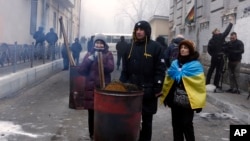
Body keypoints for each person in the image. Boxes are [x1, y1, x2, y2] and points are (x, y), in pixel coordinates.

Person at [119, 20, 166, 141]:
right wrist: (121, 85)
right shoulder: (129, 47)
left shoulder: (156, 47)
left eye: (141, 30)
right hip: (131, 92)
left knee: (146, 122)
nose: (139, 32)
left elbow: (160, 70)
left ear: (147, 31)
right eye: (137, 29)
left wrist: (157, 87)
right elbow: (124, 70)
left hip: (148, 92)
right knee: (130, 120)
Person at [160, 40, 206, 141]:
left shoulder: (196, 65)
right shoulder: (175, 64)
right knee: (176, 125)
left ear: (190, 50)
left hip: (189, 101)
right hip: (175, 101)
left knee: (187, 125)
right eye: (181, 48)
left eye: (186, 48)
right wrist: (167, 97)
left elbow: (199, 85)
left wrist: (198, 103)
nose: (183, 50)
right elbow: (169, 81)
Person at [78, 33, 114, 140]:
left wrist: (101, 60)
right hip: (91, 88)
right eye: (97, 43)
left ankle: (102, 132)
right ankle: (92, 134)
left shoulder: (108, 55)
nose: (98, 45)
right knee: (92, 112)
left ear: (104, 44)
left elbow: (110, 68)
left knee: (103, 112)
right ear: (94, 44)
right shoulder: (89, 54)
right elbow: (81, 70)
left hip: (103, 89)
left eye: (101, 43)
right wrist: (90, 60)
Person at [206, 18, 234, 89]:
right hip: (220, 57)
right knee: (218, 71)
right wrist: (231, 23)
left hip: (214, 57)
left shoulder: (211, 40)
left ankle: (207, 83)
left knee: (211, 70)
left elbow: (209, 50)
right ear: (215, 32)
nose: (219, 31)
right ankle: (216, 84)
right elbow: (226, 32)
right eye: (218, 31)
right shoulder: (220, 37)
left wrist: (213, 55)